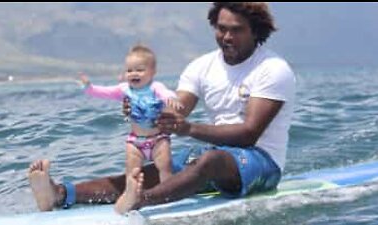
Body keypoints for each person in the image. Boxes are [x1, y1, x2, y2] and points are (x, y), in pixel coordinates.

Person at [28, 2, 296, 214]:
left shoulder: (272, 69)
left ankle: (140, 201)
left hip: (261, 162)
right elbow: (176, 109)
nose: (226, 36)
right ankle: (61, 193)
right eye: (221, 28)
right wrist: (145, 109)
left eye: (236, 30)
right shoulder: (202, 66)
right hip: (214, 156)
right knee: (145, 173)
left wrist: (189, 129)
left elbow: (249, 134)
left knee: (208, 160)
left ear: (255, 32)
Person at [78, 45, 183, 213]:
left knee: (165, 168)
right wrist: (89, 87)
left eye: (140, 70)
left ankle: (167, 193)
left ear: (152, 71)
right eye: (129, 70)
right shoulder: (124, 90)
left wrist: (171, 99)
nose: (134, 73)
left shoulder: (155, 87)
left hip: (158, 140)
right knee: (132, 172)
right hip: (135, 142)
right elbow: (104, 92)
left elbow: (166, 93)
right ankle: (131, 194)